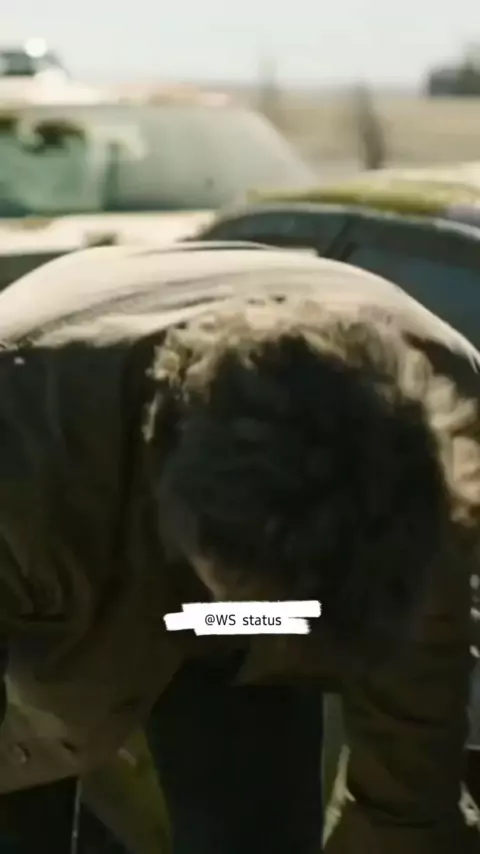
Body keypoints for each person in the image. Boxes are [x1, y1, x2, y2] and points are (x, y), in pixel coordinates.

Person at [0, 240, 477, 854]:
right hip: (42, 565)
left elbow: (418, 690)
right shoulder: (21, 455)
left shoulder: (436, 431)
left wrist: (404, 829)